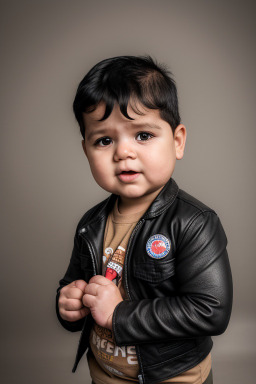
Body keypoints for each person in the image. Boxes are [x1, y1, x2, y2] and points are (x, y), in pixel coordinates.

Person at [56, 56, 233, 384]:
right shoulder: (91, 223)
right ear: (86, 151)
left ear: (177, 141)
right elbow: (72, 283)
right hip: (106, 372)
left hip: (172, 376)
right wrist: (68, 302)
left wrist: (118, 314)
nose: (123, 152)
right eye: (104, 140)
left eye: (143, 135)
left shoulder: (194, 222)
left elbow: (211, 310)